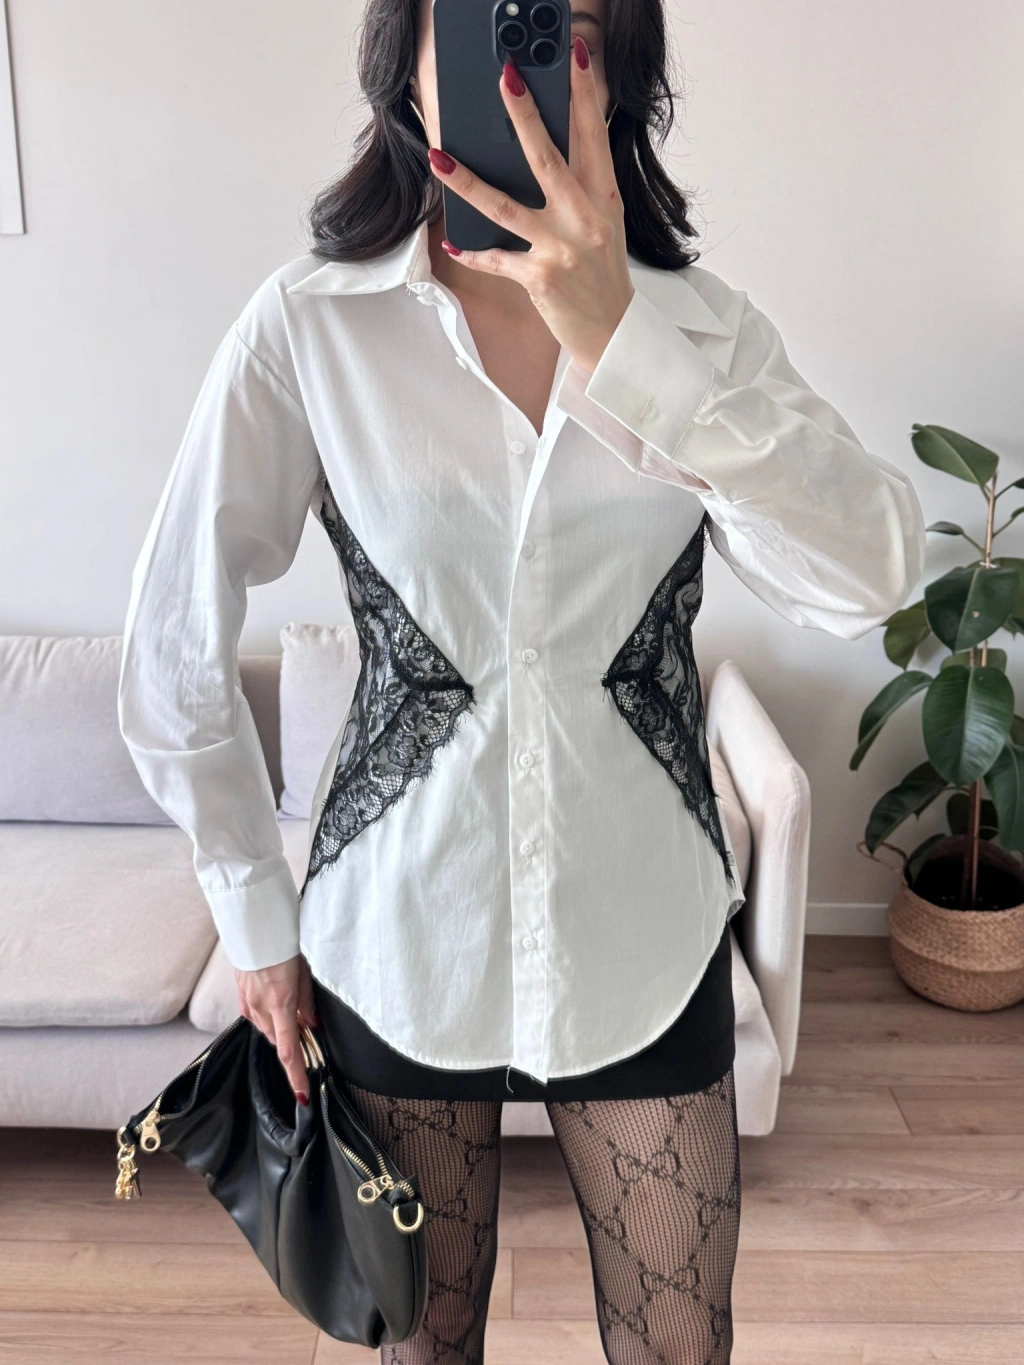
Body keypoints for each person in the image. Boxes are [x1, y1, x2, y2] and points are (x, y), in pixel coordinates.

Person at [117, 0, 927, 1360]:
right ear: (410, 67)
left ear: (620, 71)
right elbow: (171, 645)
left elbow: (873, 572)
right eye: (483, 19)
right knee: (419, 1348)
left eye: (565, 25)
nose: (520, 66)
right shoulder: (310, 329)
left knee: (680, 1347)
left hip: (644, 933)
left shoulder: (702, 333)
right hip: (399, 942)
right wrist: (253, 917)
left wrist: (633, 352)